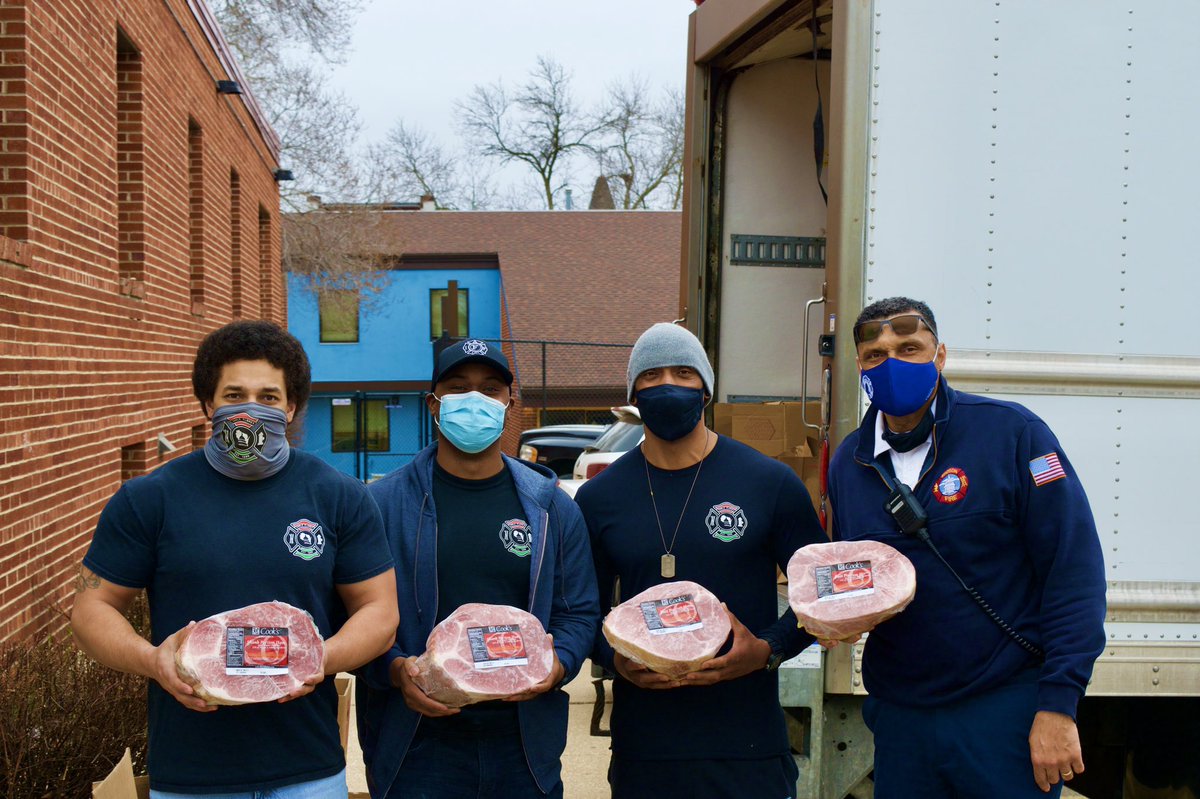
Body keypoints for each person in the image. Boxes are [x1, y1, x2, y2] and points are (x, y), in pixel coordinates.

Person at [70, 320, 399, 797]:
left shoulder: (340, 497)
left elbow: (380, 611)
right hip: (190, 773)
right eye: (233, 394)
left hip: (308, 771)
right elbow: (91, 609)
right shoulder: (148, 499)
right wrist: (152, 660)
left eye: (267, 397)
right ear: (208, 403)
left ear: (290, 407)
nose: (250, 408)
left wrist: (322, 657)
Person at [825, 297, 1106, 797]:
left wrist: (1058, 705)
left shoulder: (1013, 434)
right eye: (875, 354)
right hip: (902, 720)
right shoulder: (851, 462)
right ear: (860, 366)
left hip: (1003, 713)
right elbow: (856, 579)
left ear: (941, 355)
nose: (892, 362)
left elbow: (1073, 573)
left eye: (910, 347)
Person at [574, 322, 826, 799]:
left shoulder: (768, 483)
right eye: (651, 375)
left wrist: (767, 649)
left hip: (748, 745)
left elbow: (821, 596)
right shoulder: (599, 498)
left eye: (684, 373)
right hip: (645, 749)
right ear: (633, 392)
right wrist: (614, 659)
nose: (668, 385)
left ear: (706, 390)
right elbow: (580, 609)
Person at [356, 338, 600, 799]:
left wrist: (559, 664)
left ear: (511, 403)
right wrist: (394, 671)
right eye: (458, 387)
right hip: (418, 745)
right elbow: (355, 615)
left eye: (490, 389)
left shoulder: (550, 507)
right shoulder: (381, 505)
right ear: (434, 404)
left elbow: (579, 610)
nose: (475, 400)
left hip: (523, 742)